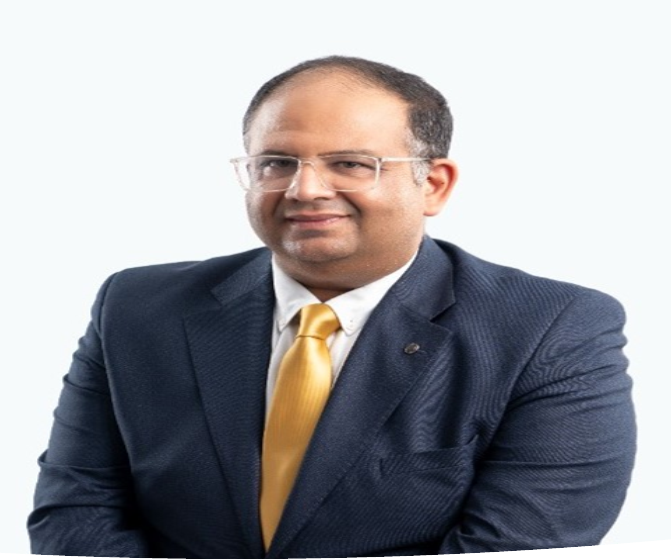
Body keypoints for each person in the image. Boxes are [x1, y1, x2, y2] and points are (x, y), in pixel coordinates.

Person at [28, 55, 636, 558]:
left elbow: (517, 549)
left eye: (350, 164)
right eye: (277, 163)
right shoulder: (136, 308)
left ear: (433, 184)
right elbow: (76, 513)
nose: (305, 190)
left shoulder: (551, 331)